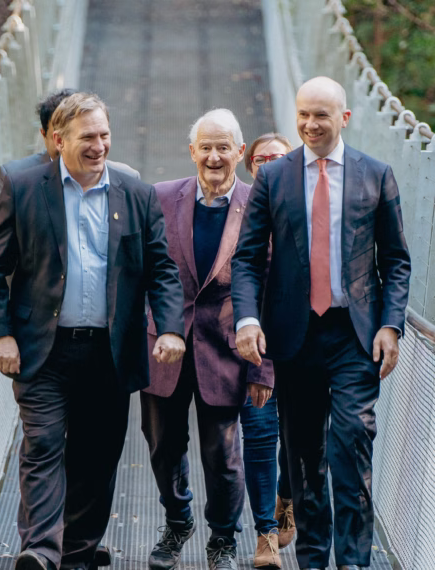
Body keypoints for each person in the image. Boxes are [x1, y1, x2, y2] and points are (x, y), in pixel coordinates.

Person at [0, 92, 186, 570]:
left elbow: (161, 269)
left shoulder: (135, 193)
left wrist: (170, 328)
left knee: (97, 456)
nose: (99, 146)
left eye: (104, 135)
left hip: (108, 352)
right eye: (87, 137)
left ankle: (75, 553)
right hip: (43, 350)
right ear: (58, 139)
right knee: (43, 445)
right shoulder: (23, 185)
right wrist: (2, 333)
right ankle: (40, 550)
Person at [231, 77, 412, 570]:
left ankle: (352, 562)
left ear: (344, 118)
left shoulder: (376, 175)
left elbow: (396, 261)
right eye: (303, 115)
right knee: (305, 456)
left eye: (321, 116)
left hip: (355, 333)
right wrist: (247, 318)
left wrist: (391, 325)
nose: (310, 125)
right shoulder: (274, 177)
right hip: (295, 335)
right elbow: (248, 258)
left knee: (351, 442)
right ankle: (312, 560)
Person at [140, 109, 273, 570]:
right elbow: (141, 273)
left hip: (227, 352)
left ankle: (222, 537)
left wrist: (263, 369)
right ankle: (178, 521)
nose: (214, 157)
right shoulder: (159, 198)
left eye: (223, 148)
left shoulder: (260, 205)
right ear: (192, 151)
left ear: (240, 152)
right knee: (162, 447)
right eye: (206, 147)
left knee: (223, 454)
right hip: (165, 347)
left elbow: (271, 292)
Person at [236, 132, 295, 570]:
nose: (270, 164)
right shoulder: (237, 209)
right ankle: (266, 535)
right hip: (252, 345)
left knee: (301, 439)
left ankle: (286, 496)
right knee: (259, 435)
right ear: (251, 165)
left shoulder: (310, 205)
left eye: (280, 157)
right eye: (262, 159)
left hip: (300, 345)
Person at [0, 88, 139, 205]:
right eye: (87, 137)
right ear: (48, 136)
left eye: (103, 135)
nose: (65, 146)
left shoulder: (127, 179)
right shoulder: (16, 180)